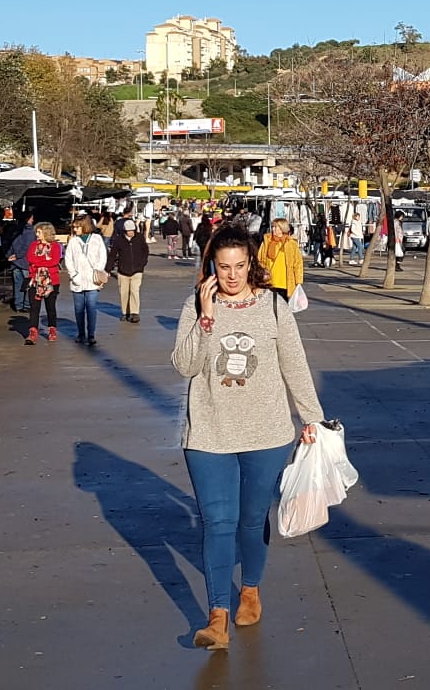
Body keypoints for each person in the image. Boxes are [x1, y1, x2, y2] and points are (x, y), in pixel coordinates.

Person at [170, 225, 326, 651]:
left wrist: (314, 419)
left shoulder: (274, 306)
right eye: (224, 267)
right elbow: (184, 366)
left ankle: (251, 588)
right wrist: (205, 319)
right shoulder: (196, 304)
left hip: (268, 433)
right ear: (211, 267)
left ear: (251, 264)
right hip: (209, 434)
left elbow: (294, 364)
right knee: (218, 522)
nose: (232, 276)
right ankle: (217, 615)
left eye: (240, 266)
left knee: (252, 521)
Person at [64, 215, 109, 346]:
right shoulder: (73, 241)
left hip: (92, 280)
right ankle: (81, 333)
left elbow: (102, 256)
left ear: (84, 226)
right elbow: (68, 259)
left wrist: (98, 270)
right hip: (77, 280)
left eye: (77, 226)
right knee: (78, 309)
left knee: (91, 307)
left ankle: (91, 334)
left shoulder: (97, 239)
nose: (75, 229)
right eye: (74, 227)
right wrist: (73, 275)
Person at [26, 222, 64, 344]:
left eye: (39, 232)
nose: (36, 235)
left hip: (51, 280)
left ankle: (52, 329)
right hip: (34, 279)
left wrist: (38, 262)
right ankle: (32, 332)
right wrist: (43, 261)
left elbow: (54, 261)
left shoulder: (56, 246)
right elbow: (29, 258)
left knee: (50, 307)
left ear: (46, 233)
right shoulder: (33, 245)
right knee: (34, 307)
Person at [111, 217, 150, 323]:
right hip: (123, 270)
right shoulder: (118, 240)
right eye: (129, 231)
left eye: (133, 230)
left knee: (134, 290)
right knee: (123, 292)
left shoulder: (140, 238)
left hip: (137, 269)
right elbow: (113, 255)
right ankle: (125, 312)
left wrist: (143, 262)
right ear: (124, 231)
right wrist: (107, 269)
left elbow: (145, 250)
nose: (131, 233)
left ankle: (134, 313)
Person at [258, 218, 305, 303]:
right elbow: (260, 259)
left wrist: (298, 281)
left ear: (283, 228)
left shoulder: (291, 243)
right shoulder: (267, 242)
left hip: (285, 282)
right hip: (269, 281)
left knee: (283, 309)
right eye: (273, 227)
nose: (274, 229)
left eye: (277, 227)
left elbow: (298, 263)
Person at [9, 220, 38, 311]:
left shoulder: (13, 230)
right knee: (28, 285)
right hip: (26, 262)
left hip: (15, 263)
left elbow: (9, 245)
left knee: (18, 285)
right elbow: (28, 248)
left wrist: (10, 255)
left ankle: (18, 305)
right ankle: (26, 305)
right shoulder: (30, 232)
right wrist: (18, 255)